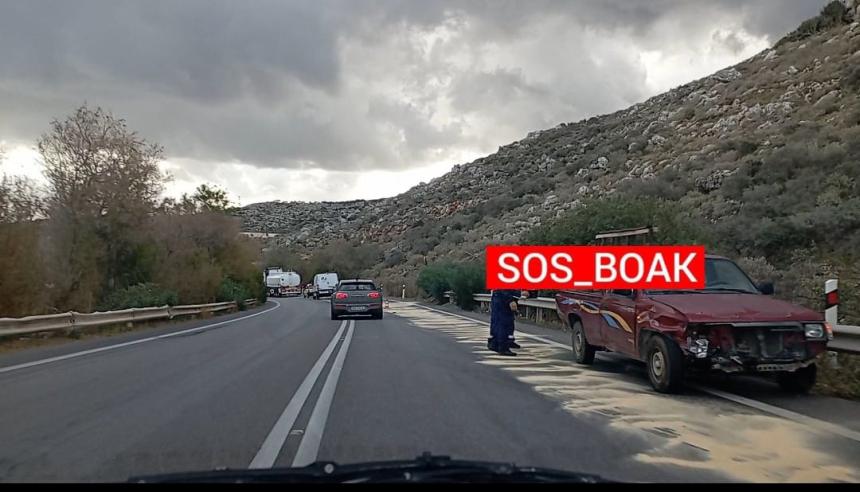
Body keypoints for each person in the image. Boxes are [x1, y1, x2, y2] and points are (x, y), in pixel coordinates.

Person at [488, 289, 525, 356]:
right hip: (503, 297)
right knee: (503, 323)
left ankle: (495, 343)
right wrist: (510, 300)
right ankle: (503, 347)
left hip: (500, 296)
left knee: (498, 321)